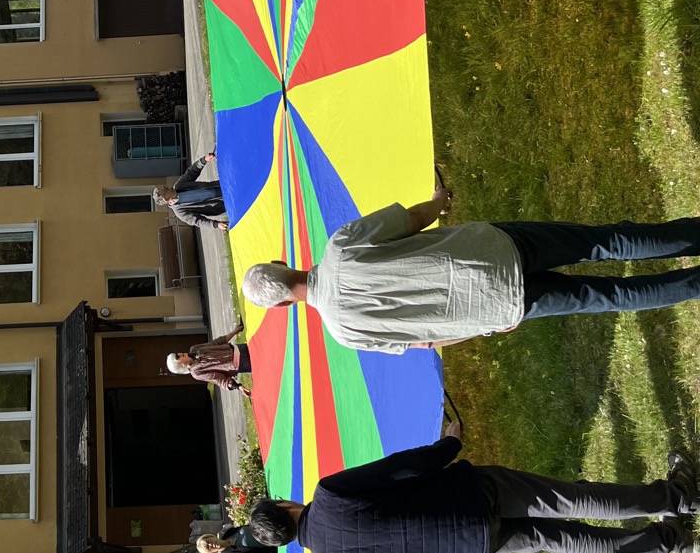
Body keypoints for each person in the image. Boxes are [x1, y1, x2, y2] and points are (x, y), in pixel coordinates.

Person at [241, 181, 700, 349]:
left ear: (283, 307)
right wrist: (440, 200)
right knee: (605, 243)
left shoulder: (346, 334)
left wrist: (482, 326)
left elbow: (427, 340)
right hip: (493, 249)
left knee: (613, 297)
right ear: (285, 263)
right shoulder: (341, 247)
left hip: (499, 306)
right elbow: (412, 220)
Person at [244, 416, 698, 553]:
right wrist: (450, 444)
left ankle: (673, 542)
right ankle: (678, 497)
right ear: (285, 507)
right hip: (468, 495)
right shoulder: (329, 494)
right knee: (568, 500)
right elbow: (400, 469)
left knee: (569, 542)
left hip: (473, 547)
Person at [153, 149, 228, 230]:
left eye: (165, 187)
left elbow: (192, 172)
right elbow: (198, 221)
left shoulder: (179, 185)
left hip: (223, 187)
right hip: (224, 206)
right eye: (166, 190)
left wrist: (203, 160)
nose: (167, 187)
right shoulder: (180, 212)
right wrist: (216, 224)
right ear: (166, 199)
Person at [167, 324, 251, 391]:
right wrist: (238, 387)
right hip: (242, 363)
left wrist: (234, 332)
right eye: (177, 357)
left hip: (240, 348)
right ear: (180, 366)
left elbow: (217, 342)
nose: (180, 354)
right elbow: (219, 380)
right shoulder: (196, 372)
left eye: (177, 353)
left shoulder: (194, 349)